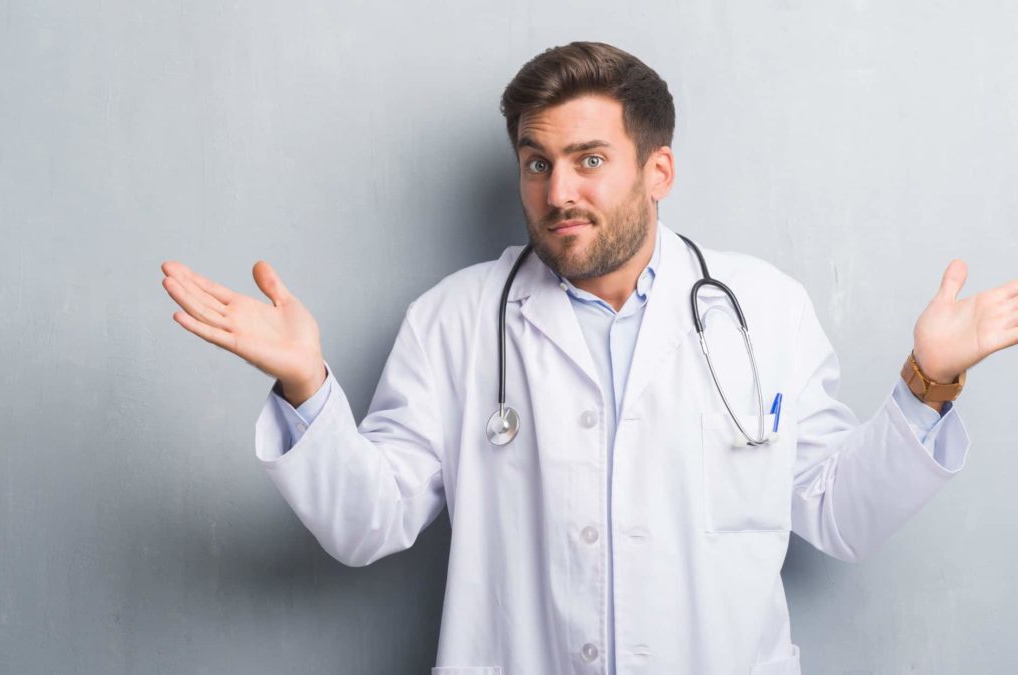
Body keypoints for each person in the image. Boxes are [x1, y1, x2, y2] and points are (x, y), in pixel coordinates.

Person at [161, 42, 1018, 675]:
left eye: (589, 160)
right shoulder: (456, 321)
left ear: (659, 170)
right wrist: (306, 385)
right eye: (537, 162)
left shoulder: (763, 310)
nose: (557, 190)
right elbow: (366, 520)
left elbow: (841, 513)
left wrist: (928, 384)